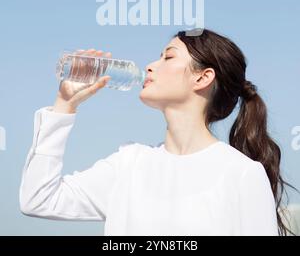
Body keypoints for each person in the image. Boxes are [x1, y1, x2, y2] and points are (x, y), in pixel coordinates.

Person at [19, 28, 292, 235]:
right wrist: (63, 106)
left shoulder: (241, 174)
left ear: (202, 77)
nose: (150, 65)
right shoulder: (128, 164)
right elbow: (38, 200)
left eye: (168, 56)